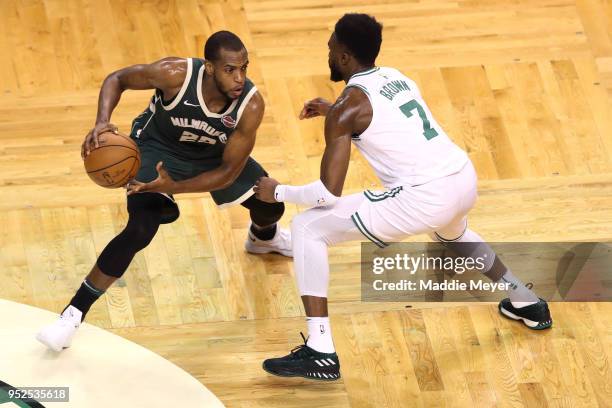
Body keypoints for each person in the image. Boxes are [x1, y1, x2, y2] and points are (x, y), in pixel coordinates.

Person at [254, 13, 552, 381]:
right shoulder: (396, 76)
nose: (327, 53)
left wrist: (277, 191)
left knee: (307, 227)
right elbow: (391, 119)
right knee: (453, 235)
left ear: (345, 56)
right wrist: (333, 112)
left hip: (424, 197)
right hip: (461, 177)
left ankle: (320, 350)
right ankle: (528, 302)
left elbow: (327, 194)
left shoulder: (348, 108)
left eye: (330, 48)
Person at [37, 31, 291, 352]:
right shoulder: (175, 74)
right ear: (209, 68)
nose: (239, 77)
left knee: (270, 206)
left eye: (244, 68)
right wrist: (102, 121)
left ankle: (263, 239)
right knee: (140, 230)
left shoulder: (250, 105)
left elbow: (227, 173)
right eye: (230, 69)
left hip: (210, 156)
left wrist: (176, 187)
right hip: (155, 150)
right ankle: (71, 316)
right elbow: (118, 78)